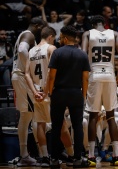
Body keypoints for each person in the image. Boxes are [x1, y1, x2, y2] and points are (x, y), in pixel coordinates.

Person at [24, 26, 76, 167]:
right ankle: (72, 155)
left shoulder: (31, 50)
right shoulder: (51, 49)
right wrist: (47, 92)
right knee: (62, 125)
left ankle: (45, 157)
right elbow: (52, 73)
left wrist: (35, 91)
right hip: (50, 92)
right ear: (51, 37)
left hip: (37, 92)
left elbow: (26, 74)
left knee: (40, 124)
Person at [47, 25, 94, 167]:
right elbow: (85, 78)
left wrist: (50, 92)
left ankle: (54, 159)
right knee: (77, 126)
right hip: (76, 92)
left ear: (65, 38)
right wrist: (84, 95)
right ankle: (78, 159)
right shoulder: (83, 54)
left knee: (56, 126)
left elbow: (51, 76)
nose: (59, 39)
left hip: (59, 92)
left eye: (61, 37)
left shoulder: (57, 53)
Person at [82, 15, 118, 166]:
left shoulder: (88, 34)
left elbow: (82, 55)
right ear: (104, 24)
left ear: (92, 24)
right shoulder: (115, 34)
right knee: (111, 115)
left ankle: (92, 155)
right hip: (109, 75)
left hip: (94, 74)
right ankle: (116, 154)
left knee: (93, 116)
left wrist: (85, 76)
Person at [11, 17, 46, 167]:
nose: (42, 32)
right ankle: (28, 154)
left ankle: (24, 154)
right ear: (37, 26)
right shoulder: (29, 34)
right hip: (22, 77)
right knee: (30, 115)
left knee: (26, 116)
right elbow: (21, 50)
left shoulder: (24, 35)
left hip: (18, 76)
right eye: (41, 29)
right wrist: (30, 68)